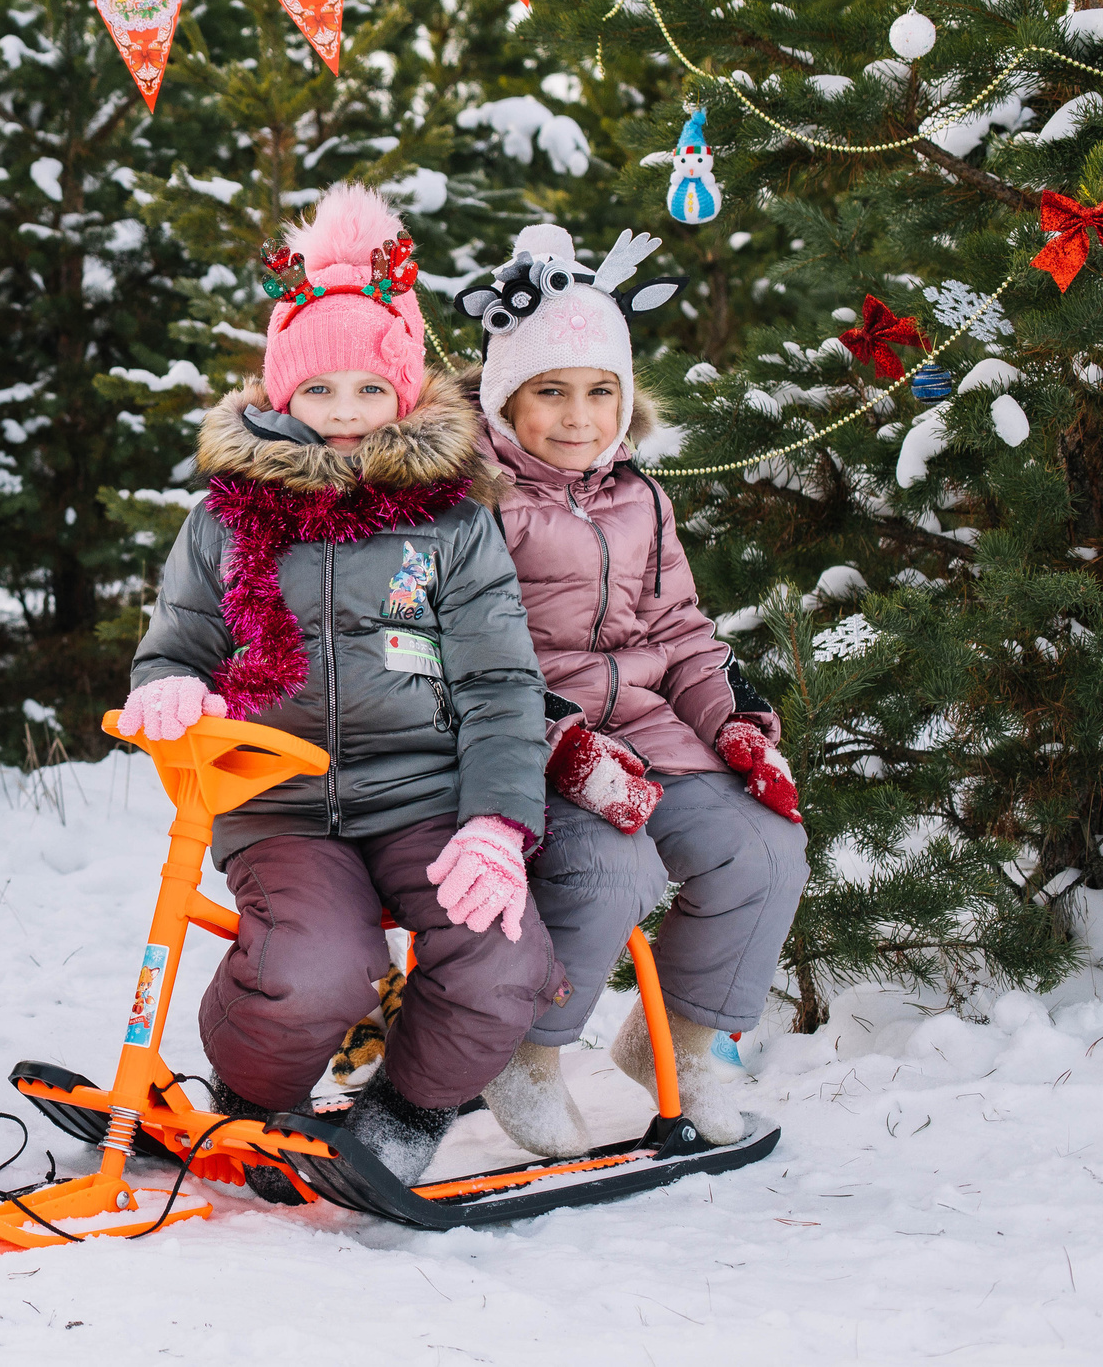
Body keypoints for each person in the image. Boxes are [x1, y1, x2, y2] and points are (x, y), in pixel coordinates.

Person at [121, 183, 559, 1200]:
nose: (347, 418)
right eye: (321, 393)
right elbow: (177, 640)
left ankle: (405, 1114)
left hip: (423, 797)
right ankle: (252, 1098)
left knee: (500, 958)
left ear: (403, 394)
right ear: (282, 395)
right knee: (317, 969)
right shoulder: (225, 521)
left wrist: (496, 818)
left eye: (371, 391)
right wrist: (174, 686)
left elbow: (499, 679)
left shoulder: (449, 526)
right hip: (276, 802)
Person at [469, 224, 807, 1155]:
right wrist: (563, 744)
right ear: (505, 397)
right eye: (550, 392)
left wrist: (734, 724)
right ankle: (525, 1054)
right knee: (617, 865)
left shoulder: (641, 498)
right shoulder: (477, 502)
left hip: (651, 728)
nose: (578, 417)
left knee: (767, 846)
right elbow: (469, 655)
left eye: (599, 392)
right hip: (528, 742)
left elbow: (681, 631)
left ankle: (683, 1044)